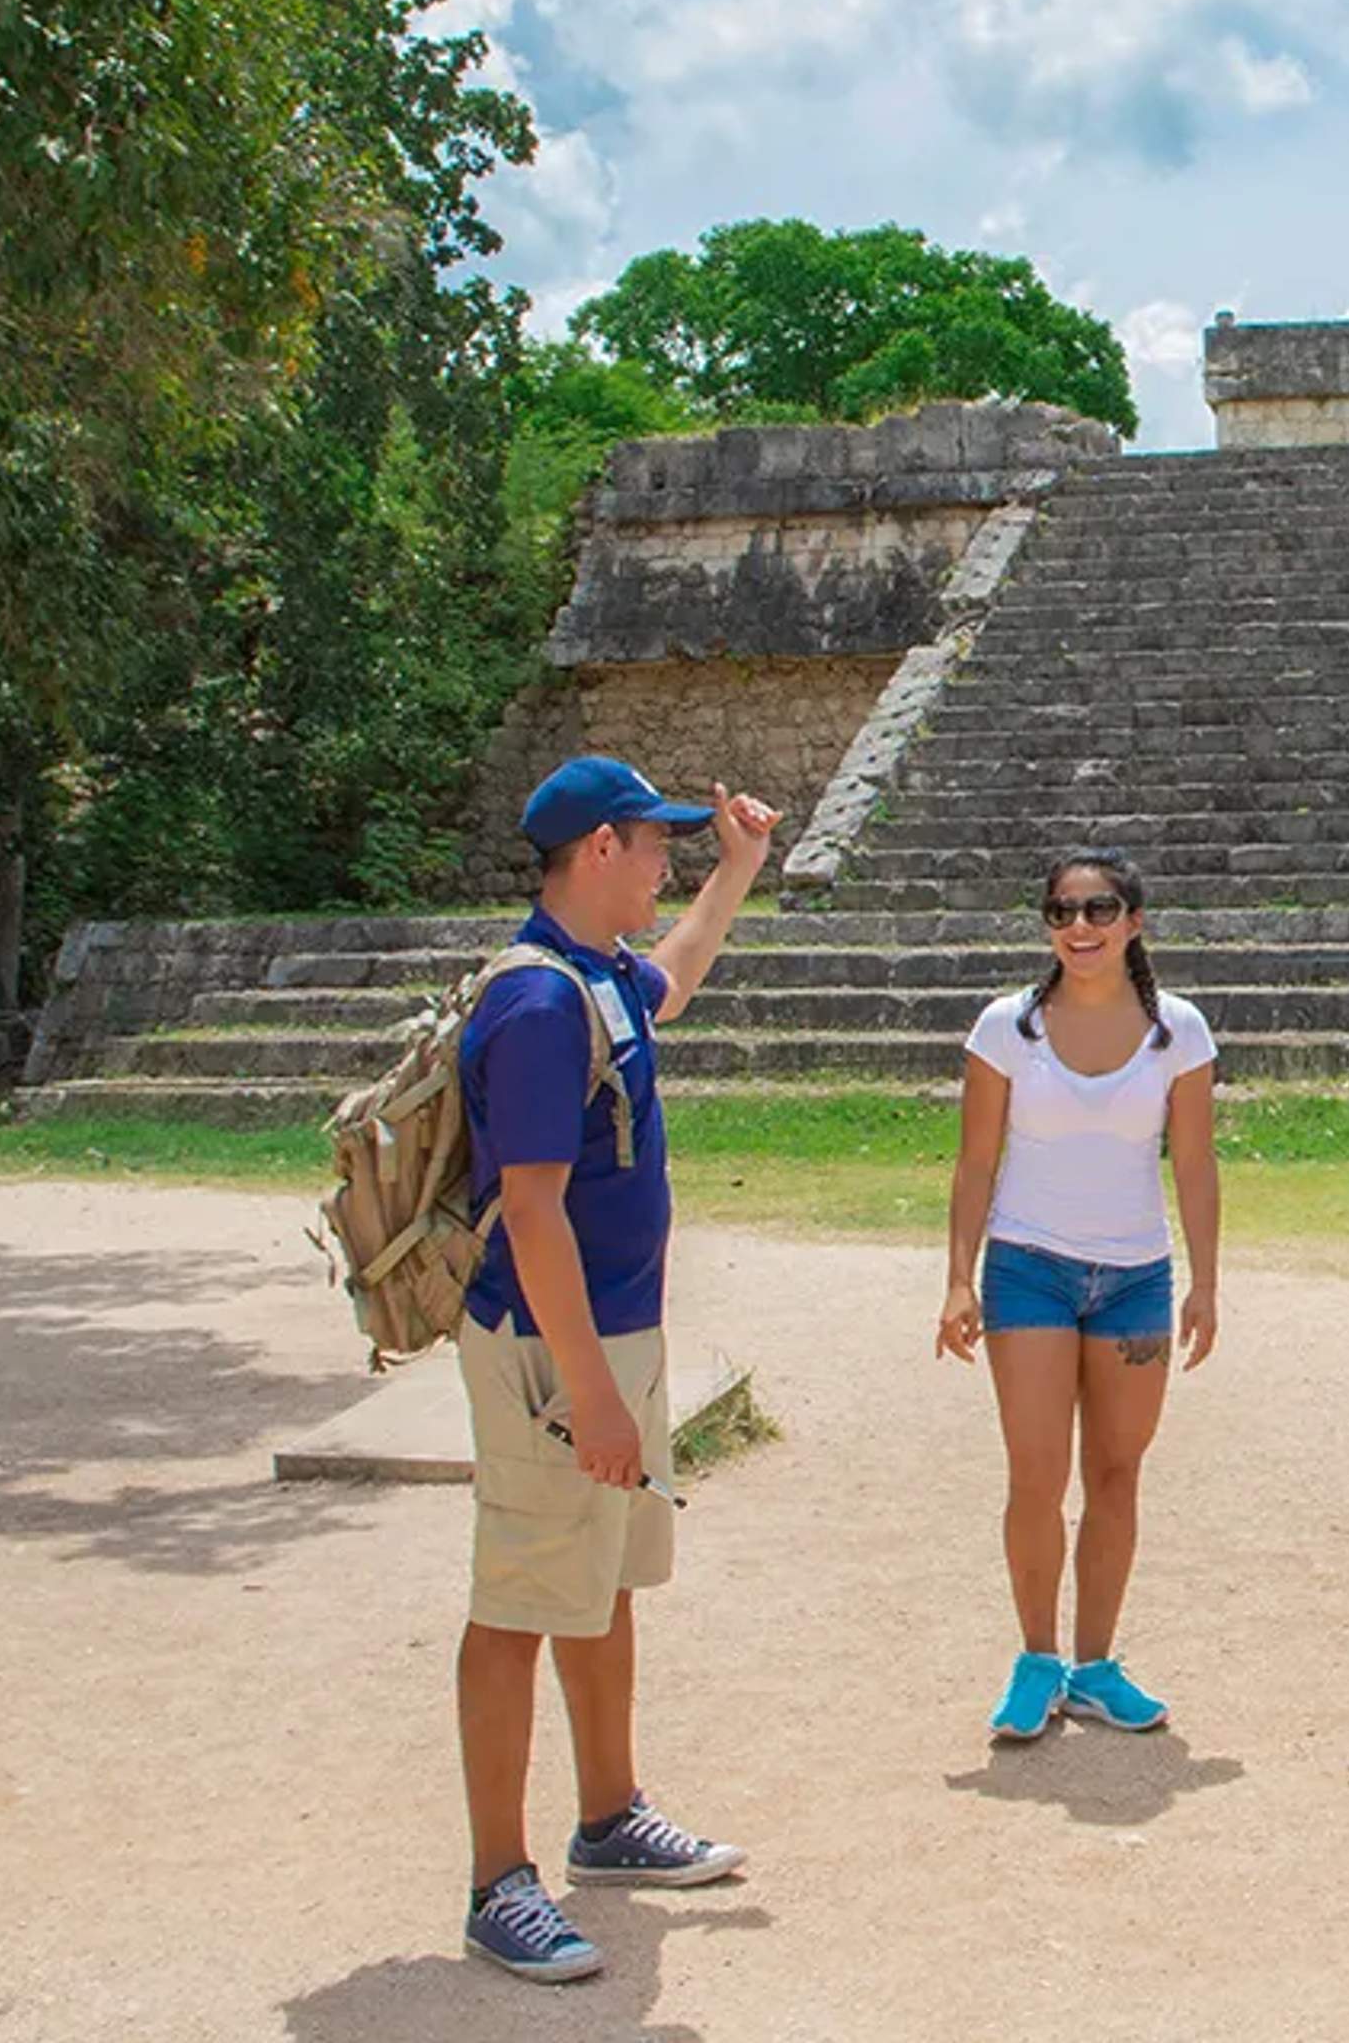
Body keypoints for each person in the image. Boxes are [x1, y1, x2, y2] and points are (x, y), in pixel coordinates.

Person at [450, 755, 780, 1985]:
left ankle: (608, 1815)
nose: (666, 866)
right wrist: (588, 1390)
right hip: (554, 1348)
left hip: (609, 1336)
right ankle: (498, 1879)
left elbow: (679, 975)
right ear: (598, 850)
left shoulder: (600, 976)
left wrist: (739, 874)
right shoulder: (538, 1007)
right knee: (522, 1599)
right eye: (656, 846)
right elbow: (531, 1213)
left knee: (602, 1580)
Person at [937, 848, 1223, 1741]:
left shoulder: (1179, 1030)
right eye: (1062, 911)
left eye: (1101, 910)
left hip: (1135, 1274)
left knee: (1115, 1473)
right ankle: (1035, 1659)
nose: (1081, 928)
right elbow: (976, 1159)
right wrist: (956, 1276)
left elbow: (1196, 1164)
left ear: (1134, 922)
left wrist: (1206, 1280)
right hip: (1029, 1266)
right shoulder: (1006, 1028)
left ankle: (1096, 1665)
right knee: (1036, 1475)